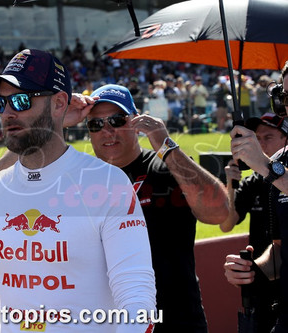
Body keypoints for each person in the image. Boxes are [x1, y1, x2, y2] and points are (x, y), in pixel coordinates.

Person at [0, 49, 156, 333]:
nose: (7, 112)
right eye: (0, 103)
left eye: (21, 99)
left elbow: (137, 300)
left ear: (59, 102)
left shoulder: (107, 183)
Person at [63, 84, 229, 332]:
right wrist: (54, 122)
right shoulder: (80, 179)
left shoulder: (167, 167)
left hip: (176, 320)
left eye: (117, 120)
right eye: (96, 124)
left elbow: (219, 212)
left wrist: (166, 146)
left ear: (137, 121)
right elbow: (8, 173)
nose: (107, 131)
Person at [224, 60, 288, 333]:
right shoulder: (280, 162)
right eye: (285, 97)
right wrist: (250, 269)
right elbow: (279, 253)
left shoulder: (272, 168)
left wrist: (264, 166)